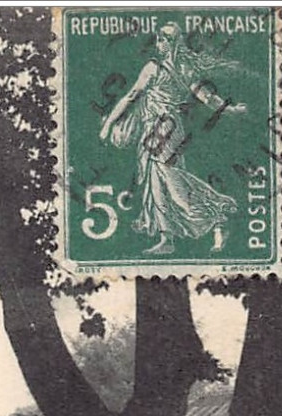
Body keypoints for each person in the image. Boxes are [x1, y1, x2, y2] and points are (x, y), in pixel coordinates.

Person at [99, 23, 246, 255]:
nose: (160, 42)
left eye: (165, 39)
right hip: (157, 128)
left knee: (171, 178)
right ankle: (166, 238)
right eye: (160, 38)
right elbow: (208, 98)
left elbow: (131, 97)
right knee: (156, 181)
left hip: (164, 129)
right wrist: (231, 109)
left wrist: (108, 124)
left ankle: (216, 215)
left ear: (173, 42)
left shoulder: (157, 68)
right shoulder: (179, 68)